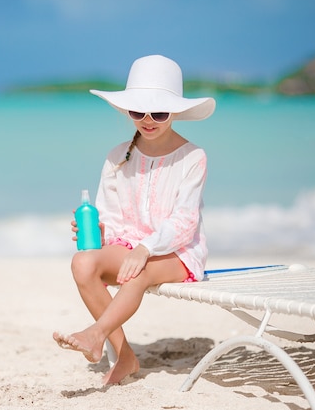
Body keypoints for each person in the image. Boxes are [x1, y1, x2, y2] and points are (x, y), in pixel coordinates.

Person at [53, 55, 216, 385]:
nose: (148, 120)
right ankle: (125, 357)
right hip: (129, 246)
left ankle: (96, 335)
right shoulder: (117, 155)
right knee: (83, 262)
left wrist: (145, 248)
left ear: (175, 112)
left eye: (158, 112)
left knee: (138, 272)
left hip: (177, 251)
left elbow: (184, 222)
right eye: (138, 111)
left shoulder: (193, 156)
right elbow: (111, 216)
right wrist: (99, 232)